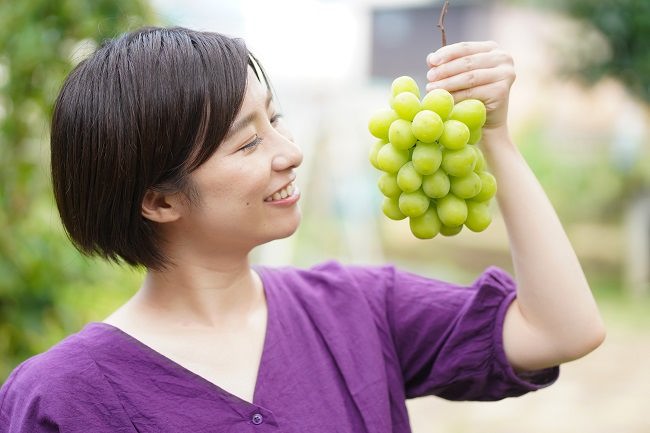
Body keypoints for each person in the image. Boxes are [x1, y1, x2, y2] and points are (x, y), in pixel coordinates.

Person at [0, 26, 605, 432]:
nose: (289, 151)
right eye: (248, 140)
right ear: (158, 200)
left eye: (277, 118)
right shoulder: (62, 398)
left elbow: (562, 328)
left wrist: (495, 137)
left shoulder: (357, 308)